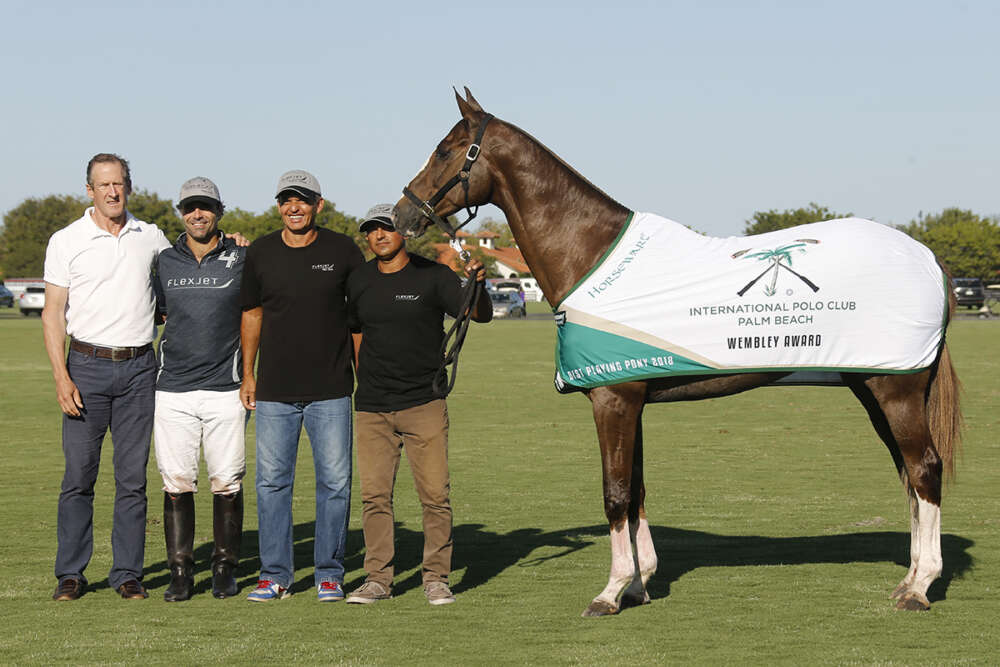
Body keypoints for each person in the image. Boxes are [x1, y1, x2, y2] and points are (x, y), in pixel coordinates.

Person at [344, 203, 491, 606]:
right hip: (373, 406)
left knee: (435, 497)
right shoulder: (358, 280)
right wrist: (366, 378)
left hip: (423, 403)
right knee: (375, 498)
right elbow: (355, 330)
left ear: (403, 233)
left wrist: (477, 283)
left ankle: (435, 578)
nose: (379, 235)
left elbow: (478, 315)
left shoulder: (433, 275)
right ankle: (378, 579)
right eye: (372, 230)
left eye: (387, 228)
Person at [42, 153, 171, 601]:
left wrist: (230, 242)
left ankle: (127, 573)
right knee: (79, 477)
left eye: (118, 184)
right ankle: (71, 574)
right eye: (103, 185)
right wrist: (61, 376)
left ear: (128, 187)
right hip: (86, 367)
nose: (112, 192)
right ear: (90, 191)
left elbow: (193, 259)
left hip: (139, 368)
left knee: (132, 480)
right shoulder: (66, 240)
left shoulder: (150, 236)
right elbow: (53, 313)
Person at [239, 170, 364, 602]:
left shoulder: (343, 250)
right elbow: (252, 314)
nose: (294, 207)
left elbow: (358, 320)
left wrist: (363, 377)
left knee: (335, 483)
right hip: (274, 390)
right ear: (278, 206)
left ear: (319, 205)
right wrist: (249, 374)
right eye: (286, 200)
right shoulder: (261, 252)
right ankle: (275, 574)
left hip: (331, 389)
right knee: (272, 483)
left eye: (303, 200)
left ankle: (329, 573)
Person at [152, 177, 247, 601]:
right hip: (172, 389)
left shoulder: (243, 257)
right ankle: (180, 572)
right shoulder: (163, 261)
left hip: (226, 388)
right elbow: (157, 314)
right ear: (181, 212)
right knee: (176, 482)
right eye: (190, 207)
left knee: (226, 481)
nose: (197, 214)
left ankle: (225, 567)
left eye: (205, 206)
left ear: (218, 212)